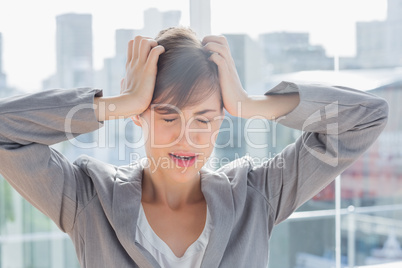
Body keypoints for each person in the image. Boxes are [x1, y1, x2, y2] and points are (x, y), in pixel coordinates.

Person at [0, 26, 388, 268]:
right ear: (140, 115)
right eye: (168, 116)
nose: (186, 137)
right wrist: (119, 102)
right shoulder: (89, 200)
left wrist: (250, 104)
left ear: (221, 122)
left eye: (204, 119)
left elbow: (367, 117)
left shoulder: (256, 196)